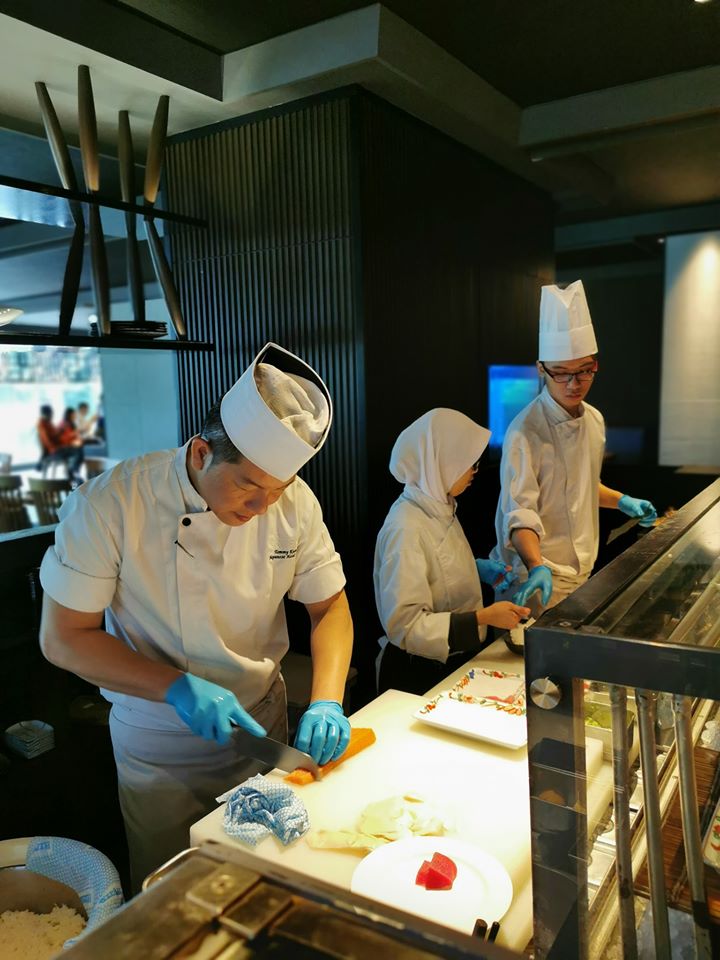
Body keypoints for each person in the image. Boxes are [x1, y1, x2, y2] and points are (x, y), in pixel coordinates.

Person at [38, 343, 354, 890]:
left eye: (275, 492)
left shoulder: (295, 503)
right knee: (172, 893)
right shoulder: (111, 504)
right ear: (202, 452)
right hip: (161, 748)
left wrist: (327, 699)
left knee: (269, 881)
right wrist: (177, 687)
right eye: (248, 487)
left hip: (262, 729)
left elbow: (330, 607)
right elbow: (64, 639)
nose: (260, 508)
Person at [491, 281, 657, 639]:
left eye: (584, 370)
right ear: (541, 369)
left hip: (583, 571)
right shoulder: (524, 432)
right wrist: (536, 565)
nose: (573, 383)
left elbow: (580, 486)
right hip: (536, 579)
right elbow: (520, 513)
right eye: (561, 373)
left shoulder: (594, 420)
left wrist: (622, 501)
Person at [374, 408, 530, 696]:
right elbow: (407, 627)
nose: (474, 471)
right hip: (417, 674)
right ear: (441, 463)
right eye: (469, 463)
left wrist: (475, 568)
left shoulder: (439, 505)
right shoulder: (405, 527)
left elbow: (435, 566)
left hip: (451, 662)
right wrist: (483, 617)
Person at [36, 404, 84, 483]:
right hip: (55, 451)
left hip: (56, 449)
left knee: (76, 450)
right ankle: (73, 473)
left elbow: (55, 436)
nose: (52, 416)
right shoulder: (43, 425)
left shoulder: (46, 423)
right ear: (47, 414)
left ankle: (72, 473)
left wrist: (60, 433)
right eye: (51, 413)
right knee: (78, 451)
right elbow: (50, 441)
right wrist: (61, 434)